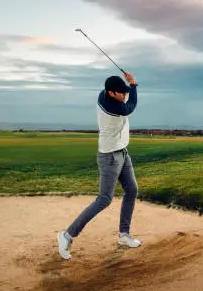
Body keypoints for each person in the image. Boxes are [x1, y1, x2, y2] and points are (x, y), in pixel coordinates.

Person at [57, 72, 141, 260]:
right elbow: (130, 107)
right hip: (109, 156)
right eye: (121, 93)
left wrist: (127, 86)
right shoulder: (114, 106)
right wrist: (134, 85)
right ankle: (66, 235)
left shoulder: (105, 95)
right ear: (111, 93)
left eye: (125, 92)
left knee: (132, 190)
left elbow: (125, 99)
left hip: (122, 152)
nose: (124, 95)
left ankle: (124, 235)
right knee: (104, 199)